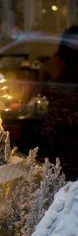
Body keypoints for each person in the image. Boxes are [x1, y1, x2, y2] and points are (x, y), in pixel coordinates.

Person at [40, 25, 78, 180]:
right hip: (61, 138)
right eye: (72, 42)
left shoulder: (65, 66)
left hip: (61, 137)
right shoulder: (63, 66)